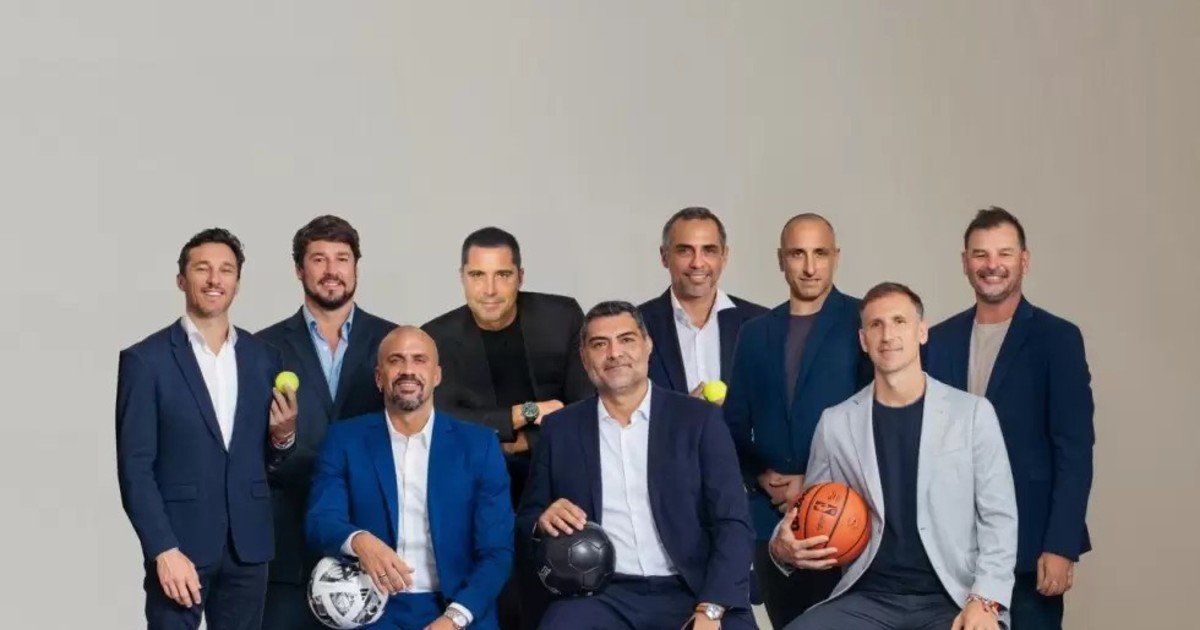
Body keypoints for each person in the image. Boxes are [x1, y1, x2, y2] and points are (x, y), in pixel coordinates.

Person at [771, 281, 1018, 630]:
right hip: (867, 598)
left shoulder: (973, 414)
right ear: (863, 340)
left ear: (922, 332)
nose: (888, 335)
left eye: (899, 321)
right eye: (876, 325)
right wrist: (782, 548)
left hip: (954, 597)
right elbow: (811, 509)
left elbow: (999, 518)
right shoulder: (836, 423)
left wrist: (985, 601)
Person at [516, 301, 759, 630]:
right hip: (603, 595)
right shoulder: (560, 429)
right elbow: (528, 516)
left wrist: (712, 608)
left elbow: (734, 521)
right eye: (599, 344)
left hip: (694, 589)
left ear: (647, 346)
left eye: (627, 339)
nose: (614, 353)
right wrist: (542, 521)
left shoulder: (699, 420)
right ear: (585, 358)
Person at [115, 227, 299, 630]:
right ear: (181, 279)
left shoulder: (265, 358)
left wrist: (283, 436)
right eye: (203, 268)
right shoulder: (145, 362)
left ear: (237, 282)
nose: (215, 279)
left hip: (248, 548)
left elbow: (265, 461)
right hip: (179, 547)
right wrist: (163, 549)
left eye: (226, 270)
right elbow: (135, 470)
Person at [924, 207, 1095, 629]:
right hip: (951, 549)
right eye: (980, 254)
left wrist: (1061, 544)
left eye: (1004, 253)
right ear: (965, 262)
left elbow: (1074, 449)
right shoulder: (938, 340)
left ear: (1024, 260)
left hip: (1030, 546)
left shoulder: (1057, 339)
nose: (992, 265)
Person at [422, 227, 593, 630]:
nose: (489, 290)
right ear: (462, 277)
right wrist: (526, 412)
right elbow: (443, 420)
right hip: (478, 485)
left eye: (502, 275)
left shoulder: (562, 317)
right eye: (477, 275)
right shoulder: (437, 337)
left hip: (557, 477)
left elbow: (584, 409)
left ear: (520, 276)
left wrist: (514, 442)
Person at [305, 326, 514, 630]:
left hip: (458, 608)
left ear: (437, 375)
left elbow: (497, 553)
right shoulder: (344, 440)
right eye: (396, 360)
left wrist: (455, 618)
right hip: (371, 611)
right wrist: (359, 540)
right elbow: (321, 520)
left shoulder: (479, 446)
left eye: (419, 360)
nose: (407, 370)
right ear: (379, 378)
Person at [722, 212, 871, 627]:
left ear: (836, 257)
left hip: (845, 513)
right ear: (780, 259)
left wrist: (814, 482)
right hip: (772, 521)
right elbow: (733, 425)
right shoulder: (755, 333)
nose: (809, 267)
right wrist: (761, 477)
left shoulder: (863, 321)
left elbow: (874, 420)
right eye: (797, 254)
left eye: (820, 253)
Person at [256, 215, 399, 630]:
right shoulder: (262, 348)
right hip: (288, 546)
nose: (331, 270)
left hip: (377, 541)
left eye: (342, 258)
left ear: (356, 267)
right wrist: (281, 440)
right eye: (318, 259)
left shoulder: (395, 343)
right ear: (299, 270)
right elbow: (245, 452)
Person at [638, 207, 768, 400]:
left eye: (709, 250)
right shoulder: (635, 326)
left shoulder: (762, 323)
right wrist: (679, 413)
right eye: (684, 251)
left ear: (724, 256)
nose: (697, 263)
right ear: (664, 256)